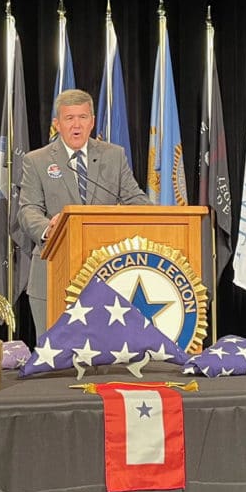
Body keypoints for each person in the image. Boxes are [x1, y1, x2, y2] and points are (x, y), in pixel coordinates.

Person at [19, 88, 149, 337]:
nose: (76, 125)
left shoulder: (114, 155)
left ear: (92, 122)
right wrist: (49, 228)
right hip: (53, 271)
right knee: (55, 362)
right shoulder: (36, 161)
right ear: (57, 124)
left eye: (82, 117)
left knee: (104, 359)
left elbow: (136, 200)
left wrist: (161, 218)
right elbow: (28, 209)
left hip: (108, 274)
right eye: (69, 118)